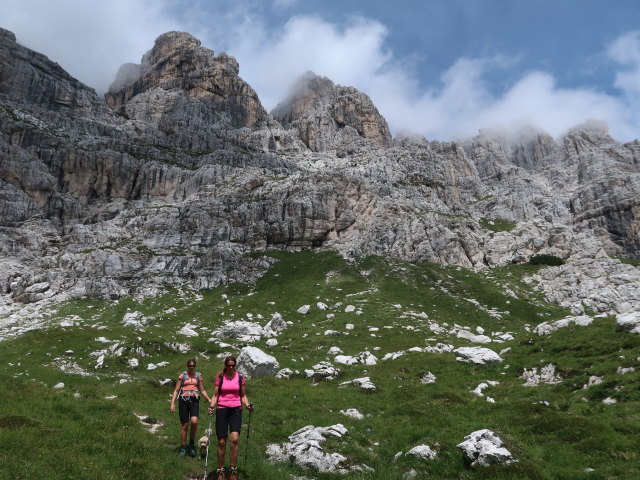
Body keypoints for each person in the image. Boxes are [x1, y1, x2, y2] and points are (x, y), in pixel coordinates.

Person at [208, 356, 254, 480]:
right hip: (222, 409)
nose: (231, 367)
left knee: (234, 439)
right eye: (229, 365)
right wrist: (211, 406)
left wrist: (247, 404)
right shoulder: (221, 377)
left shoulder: (240, 378)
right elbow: (215, 395)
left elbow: (243, 395)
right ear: (226, 365)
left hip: (236, 409)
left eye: (233, 365)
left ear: (236, 365)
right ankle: (221, 471)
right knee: (221, 442)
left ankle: (233, 470)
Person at [170, 358, 211, 457]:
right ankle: (183, 447)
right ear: (187, 366)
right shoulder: (183, 376)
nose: (191, 367)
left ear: (195, 366)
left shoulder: (198, 376)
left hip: (194, 400)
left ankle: (191, 444)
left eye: (193, 366)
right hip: (183, 400)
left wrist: (209, 400)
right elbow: (176, 390)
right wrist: (172, 403)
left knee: (194, 421)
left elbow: (202, 389)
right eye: (190, 366)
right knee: (185, 424)